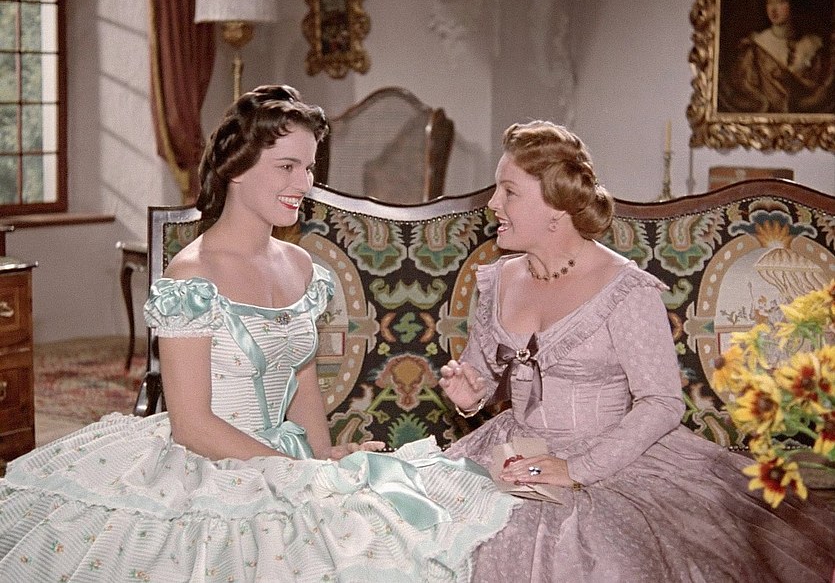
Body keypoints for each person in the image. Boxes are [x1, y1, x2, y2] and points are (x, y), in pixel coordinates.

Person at [0, 85, 517, 582]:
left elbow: (304, 381)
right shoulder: (192, 277)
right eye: (287, 167)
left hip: (288, 458)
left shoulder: (302, 267)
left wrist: (320, 458)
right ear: (236, 168)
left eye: (309, 167)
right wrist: (295, 468)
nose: (304, 183)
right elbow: (192, 425)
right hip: (207, 463)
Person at [439, 120, 835, 582]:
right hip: (512, 448)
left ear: (555, 207)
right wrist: (471, 395)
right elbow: (484, 372)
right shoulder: (500, 278)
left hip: (612, 458)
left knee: (602, 559)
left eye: (509, 191)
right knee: (436, 526)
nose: (493, 204)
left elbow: (662, 402)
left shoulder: (625, 290)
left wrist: (577, 468)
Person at [719, 0, 835, 113]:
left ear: (793, 2)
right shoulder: (755, 48)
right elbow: (745, 91)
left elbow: (821, 94)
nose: (773, 9)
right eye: (769, 2)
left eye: (780, 1)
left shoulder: (814, 47)